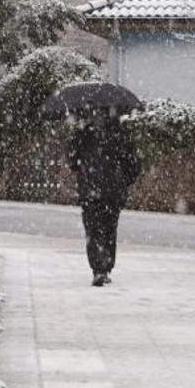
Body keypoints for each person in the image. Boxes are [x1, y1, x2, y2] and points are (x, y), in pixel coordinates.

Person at [69, 113, 141, 287]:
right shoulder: (120, 134)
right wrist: (124, 180)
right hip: (113, 191)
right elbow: (133, 164)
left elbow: (73, 161)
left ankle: (98, 268)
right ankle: (106, 266)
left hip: (90, 190)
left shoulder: (84, 133)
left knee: (93, 230)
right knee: (109, 228)